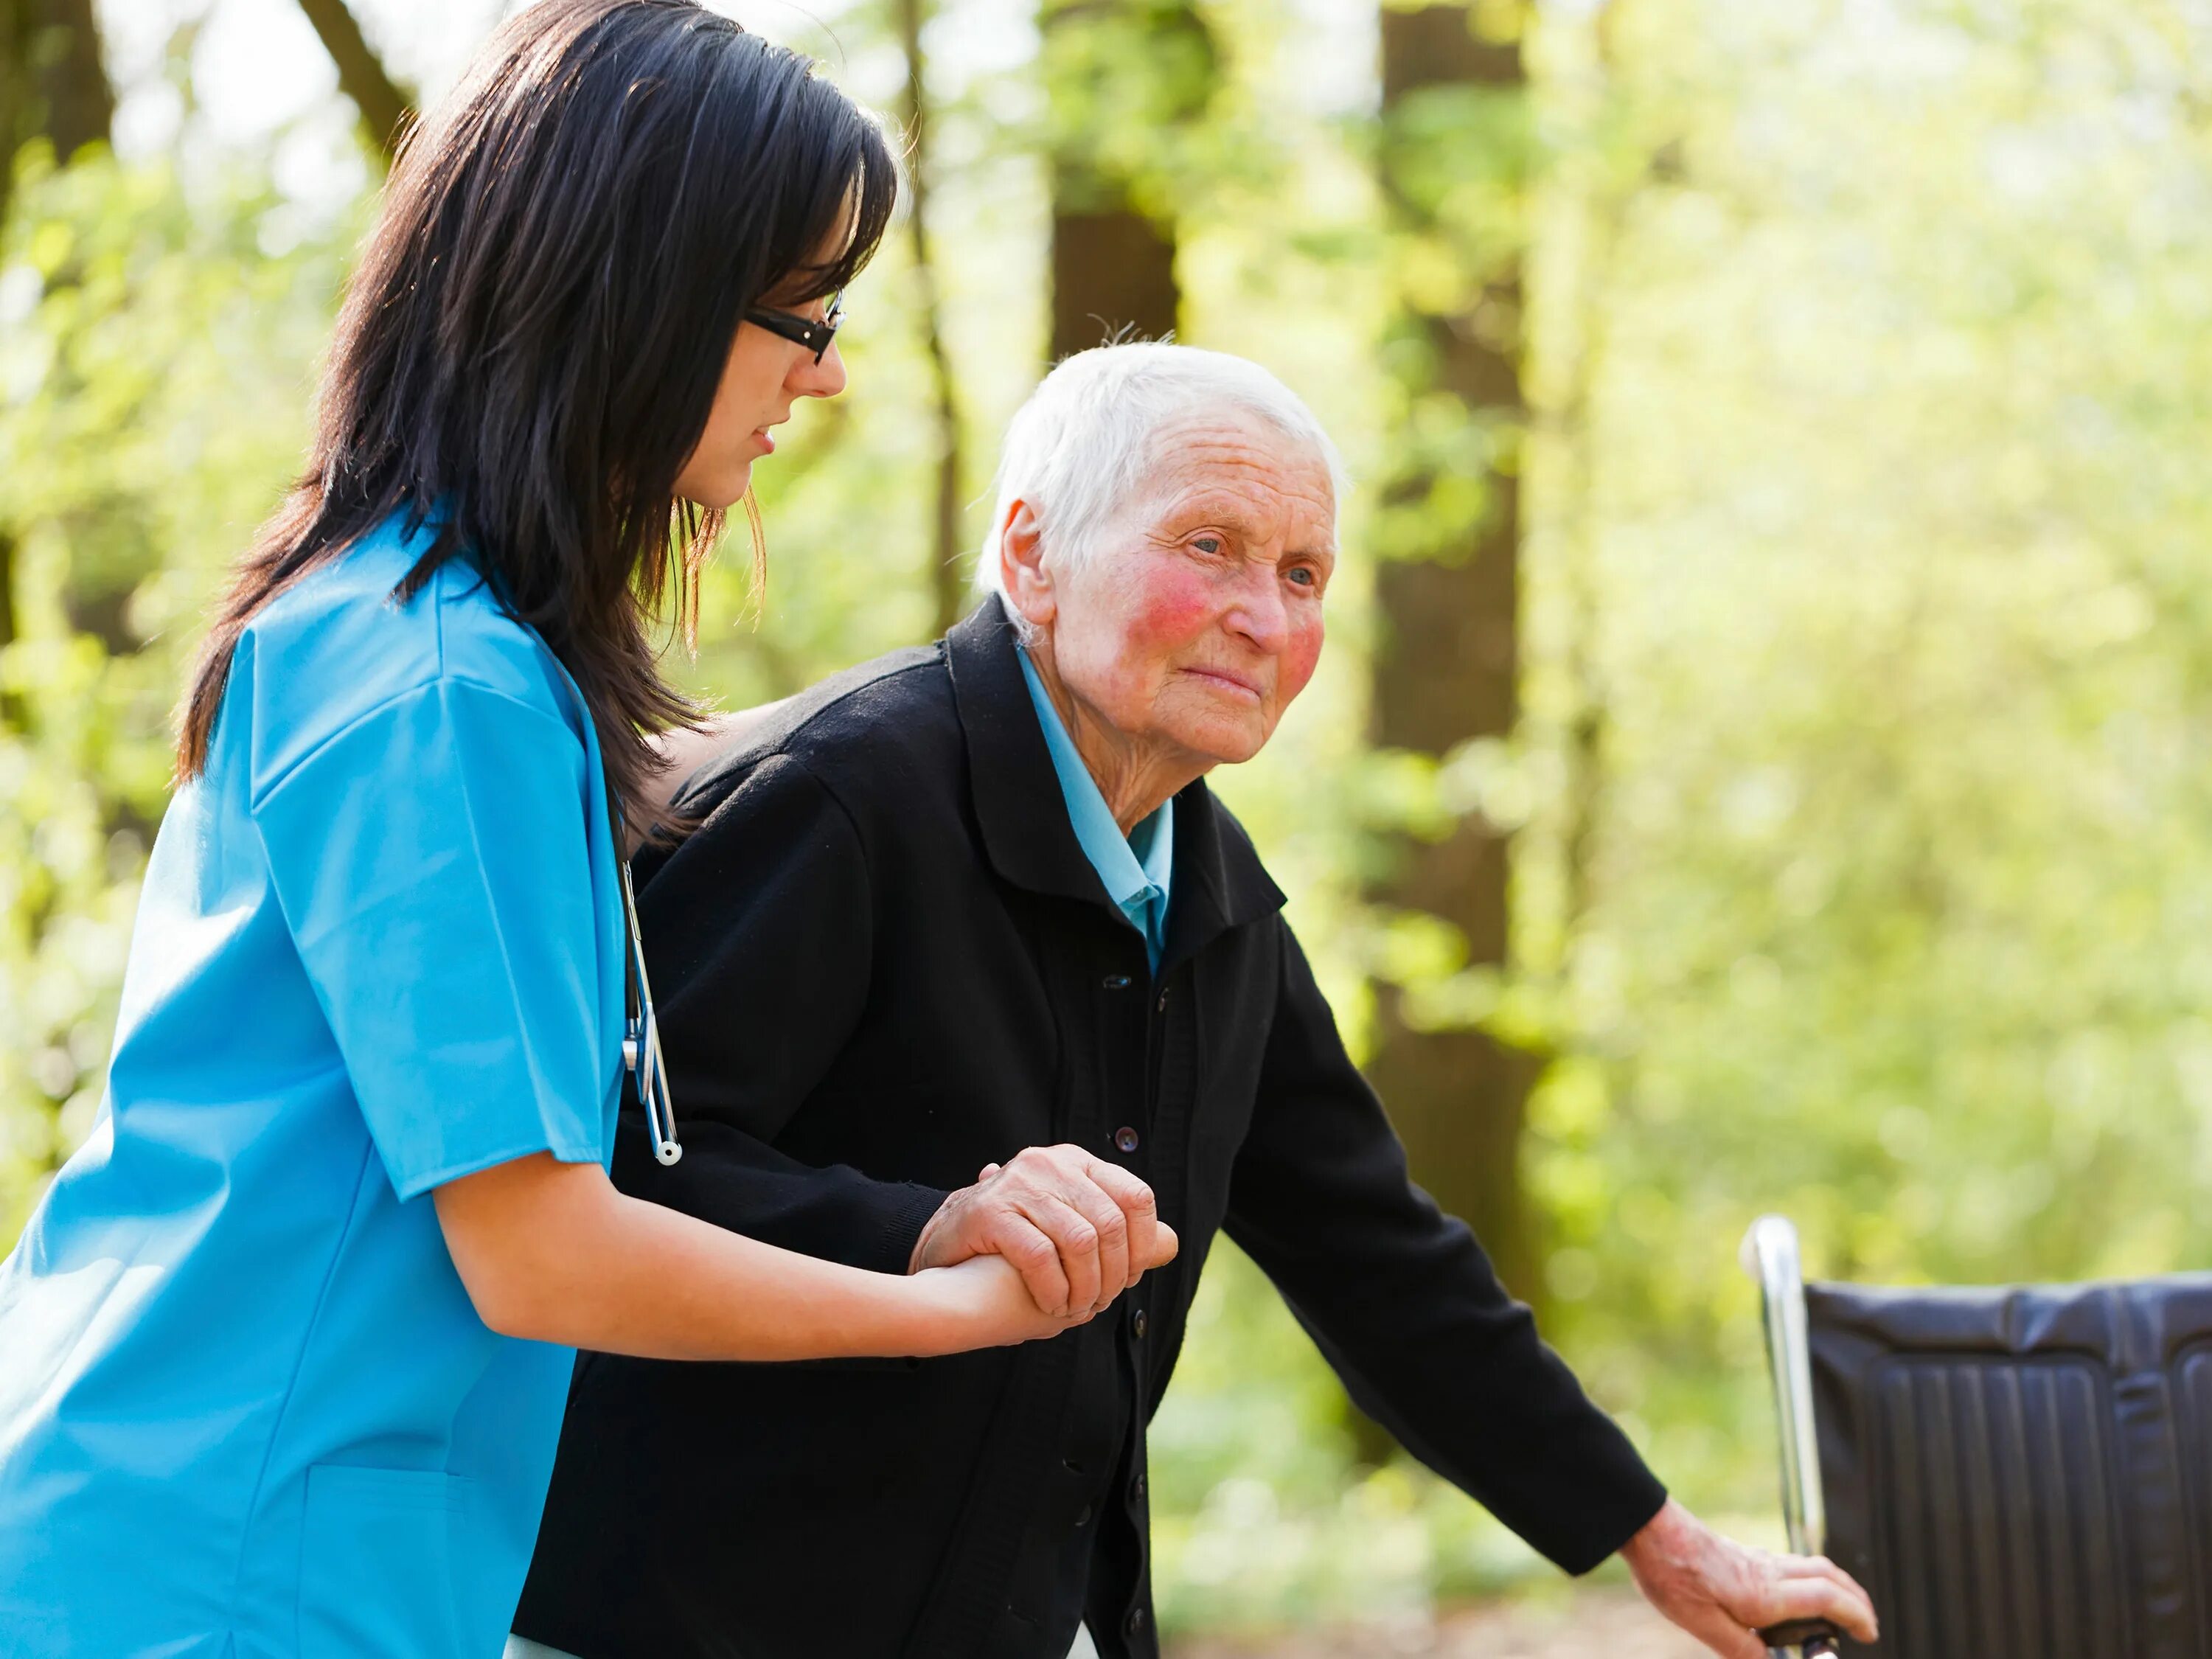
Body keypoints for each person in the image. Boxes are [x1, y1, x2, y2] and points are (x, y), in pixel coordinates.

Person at [0, 9, 1170, 1658]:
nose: (825, 373)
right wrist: (946, 1315)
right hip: (216, 1572)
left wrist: (925, 1225)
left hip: (257, 1545)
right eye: (804, 311)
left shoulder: (434, 644)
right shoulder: (438, 685)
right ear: (639, 295)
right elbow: (537, 1250)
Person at [512, 344, 1882, 1659]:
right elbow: (605, 1180)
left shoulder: (1216, 893)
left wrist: (1663, 1543)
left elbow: (1381, 1260)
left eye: (1303, 574)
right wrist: (923, 1228)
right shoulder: (842, 796)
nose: (1266, 617)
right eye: (1210, 545)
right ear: (1032, 557)